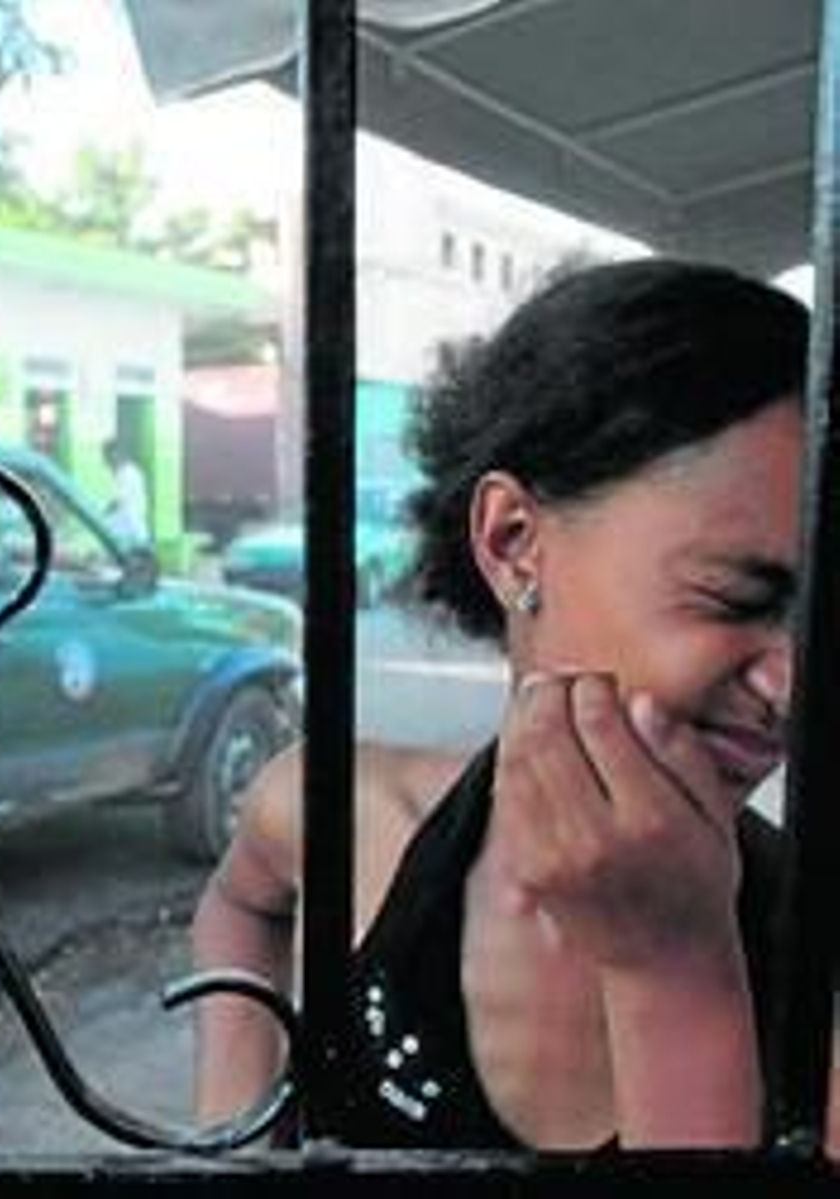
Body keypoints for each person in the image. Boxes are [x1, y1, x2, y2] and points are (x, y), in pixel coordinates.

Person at [190, 257, 835, 1151]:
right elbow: (241, 905)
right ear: (514, 541)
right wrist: (229, 1131)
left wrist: (677, 968)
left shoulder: (817, 958)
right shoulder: (356, 822)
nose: (795, 686)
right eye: (736, 597)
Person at [101, 437, 150, 548]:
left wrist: (103, 513)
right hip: (129, 531)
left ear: (116, 455)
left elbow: (119, 501)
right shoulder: (121, 473)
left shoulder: (128, 473)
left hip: (132, 532)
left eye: (107, 457)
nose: (106, 462)